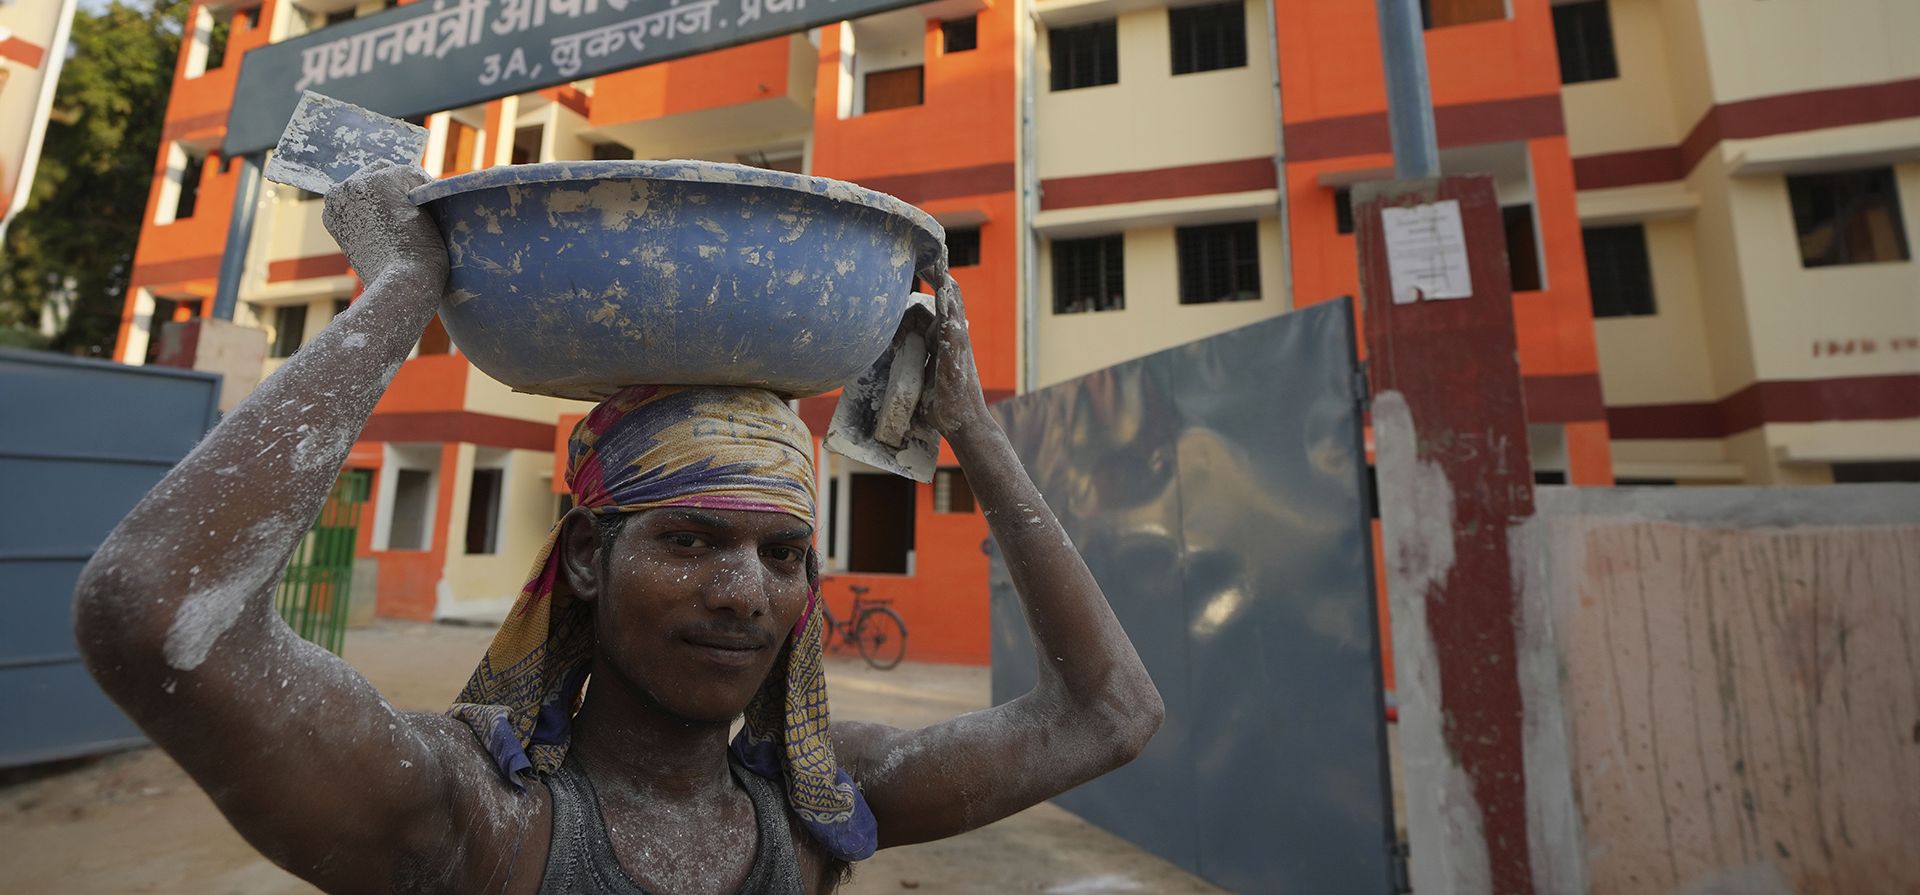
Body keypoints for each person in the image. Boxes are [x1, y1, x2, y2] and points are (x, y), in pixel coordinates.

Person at [73, 163, 1163, 895]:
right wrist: (404, 294)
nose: (745, 594)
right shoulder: (471, 814)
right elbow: (157, 610)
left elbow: (1110, 712)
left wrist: (969, 424)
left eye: (784, 554)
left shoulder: (821, 803)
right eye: (691, 540)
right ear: (590, 555)